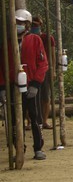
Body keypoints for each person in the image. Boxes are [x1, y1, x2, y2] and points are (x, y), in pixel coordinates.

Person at [0, 9, 49, 160]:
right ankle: (19, 148)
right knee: (15, 120)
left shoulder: (35, 40)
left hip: (31, 85)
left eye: (21, 23)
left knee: (34, 117)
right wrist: (2, 87)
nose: (18, 26)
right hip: (13, 87)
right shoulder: (7, 44)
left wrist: (36, 83)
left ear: (27, 25)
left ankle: (38, 148)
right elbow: (1, 67)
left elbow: (43, 63)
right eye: (16, 23)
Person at [31, 15, 56, 130]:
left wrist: (53, 69)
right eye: (33, 25)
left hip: (45, 70)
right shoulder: (28, 38)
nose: (35, 27)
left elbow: (52, 55)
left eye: (37, 25)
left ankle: (45, 121)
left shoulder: (47, 38)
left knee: (46, 96)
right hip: (32, 70)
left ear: (41, 25)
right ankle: (30, 121)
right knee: (31, 95)